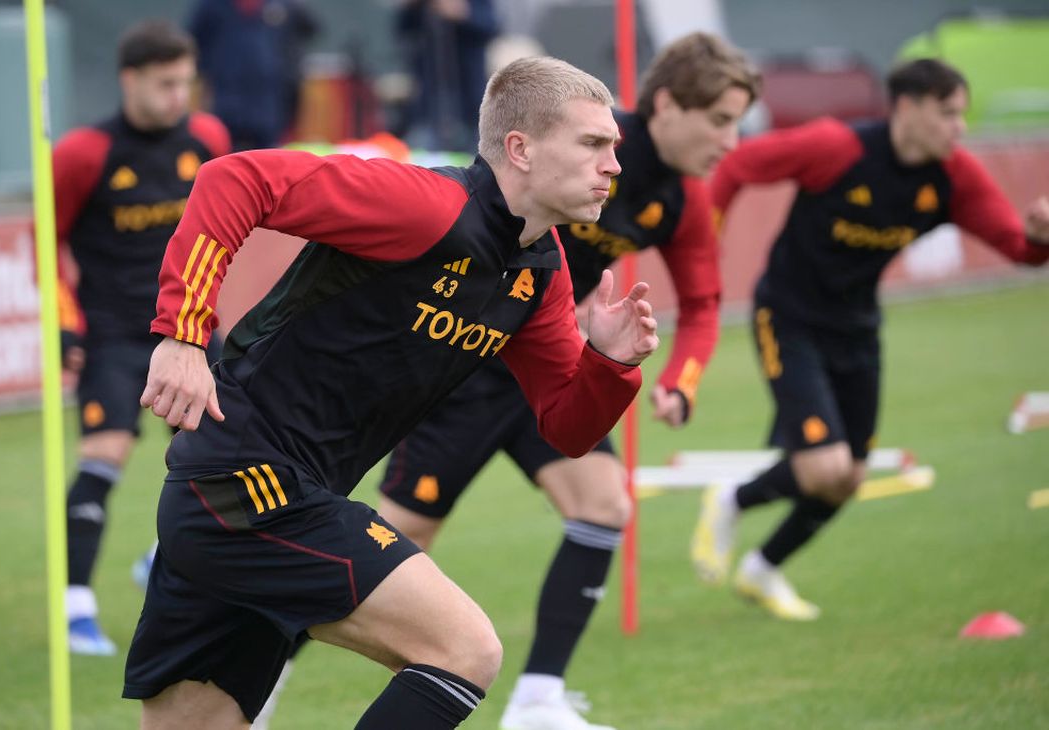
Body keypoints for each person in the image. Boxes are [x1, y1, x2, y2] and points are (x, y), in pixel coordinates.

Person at [122, 56, 659, 729]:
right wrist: (181, 332)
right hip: (245, 484)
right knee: (465, 649)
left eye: (613, 146)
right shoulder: (425, 205)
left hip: (268, 497)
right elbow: (237, 178)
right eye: (593, 144)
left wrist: (608, 363)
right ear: (519, 149)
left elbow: (567, 429)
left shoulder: (539, 273)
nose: (613, 164)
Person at [375, 32, 760, 730]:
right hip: (468, 365)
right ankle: (265, 665)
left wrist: (683, 380)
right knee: (390, 545)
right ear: (668, 105)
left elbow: (703, 304)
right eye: (719, 120)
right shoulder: (579, 138)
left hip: (551, 367)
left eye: (738, 122)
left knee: (604, 504)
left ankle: (538, 701)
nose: (730, 141)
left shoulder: (679, 199)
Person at [693, 58, 1049, 621]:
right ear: (906, 108)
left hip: (857, 327)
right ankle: (731, 498)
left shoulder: (953, 176)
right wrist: (704, 247)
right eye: (948, 113)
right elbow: (738, 165)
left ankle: (762, 569)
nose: (959, 127)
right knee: (821, 468)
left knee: (848, 478)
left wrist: (1040, 237)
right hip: (788, 314)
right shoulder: (838, 147)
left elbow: (1018, 248)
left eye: (962, 115)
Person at [52, 20, 230, 656]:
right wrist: (64, 318)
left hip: (187, 333)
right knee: (105, 454)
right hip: (114, 337)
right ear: (129, 80)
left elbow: (228, 231)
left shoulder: (207, 138)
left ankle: (160, 557)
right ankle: (76, 608)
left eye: (186, 82)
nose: (178, 96)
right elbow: (45, 244)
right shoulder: (82, 154)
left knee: (214, 457)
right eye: (165, 83)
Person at [189, 0, 317, 150]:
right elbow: (194, 44)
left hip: (269, 107)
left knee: (267, 161)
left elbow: (310, 28)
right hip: (226, 103)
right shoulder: (211, 6)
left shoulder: (283, 5)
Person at [396, 0, 501, 151]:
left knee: (474, 157)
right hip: (428, 101)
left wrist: (463, 13)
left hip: (468, 100)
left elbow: (491, 26)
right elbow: (403, 31)